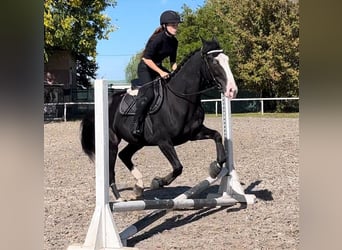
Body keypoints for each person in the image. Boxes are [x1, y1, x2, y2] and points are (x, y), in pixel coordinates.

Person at [132, 10, 182, 137]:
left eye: (177, 25)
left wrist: (177, 71)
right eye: (173, 25)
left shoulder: (174, 42)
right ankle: (136, 123)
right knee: (149, 94)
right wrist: (160, 72)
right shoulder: (157, 39)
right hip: (146, 68)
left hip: (158, 68)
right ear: (165, 26)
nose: (176, 28)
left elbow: (173, 62)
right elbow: (146, 59)